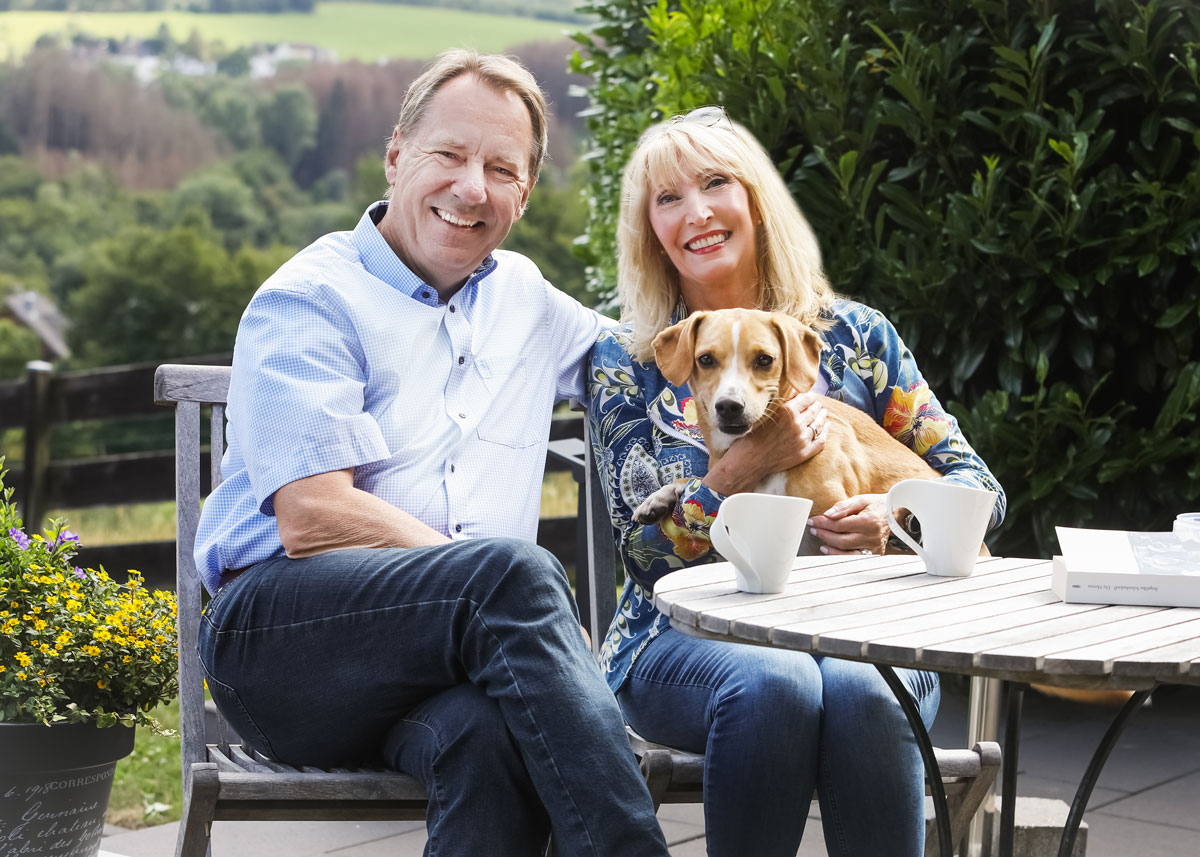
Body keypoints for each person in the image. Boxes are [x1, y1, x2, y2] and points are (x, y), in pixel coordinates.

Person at [193, 50, 671, 857]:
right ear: (396, 155)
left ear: (524, 192)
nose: (471, 187)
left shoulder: (526, 299)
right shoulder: (311, 298)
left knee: (486, 738)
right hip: (281, 646)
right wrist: (484, 580)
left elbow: (655, 367)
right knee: (512, 572)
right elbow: (312, 516)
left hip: (448, 670)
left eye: (500, 168)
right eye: (448, 155)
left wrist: (826, 386)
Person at [588, 107, 1007, 857]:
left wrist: (895, 512)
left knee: (860, 686)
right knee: (777, 682)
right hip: (674, 639)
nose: (698, 212)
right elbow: (645, 557)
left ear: (755, 201)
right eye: (668, 197)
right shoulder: (631, 357)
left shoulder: (859, 337)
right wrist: (742, 464)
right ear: (648, 227)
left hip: (868, 630)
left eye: (716, 183)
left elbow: (980, 490)